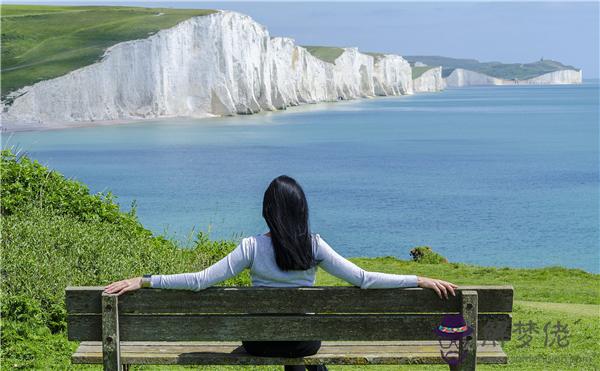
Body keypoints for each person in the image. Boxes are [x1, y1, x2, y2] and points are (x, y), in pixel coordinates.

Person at [105, 175, 458, 371]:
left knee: (280, 341)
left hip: (258, 341)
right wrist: (419, 279)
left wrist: (144, 280)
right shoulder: (315, 245)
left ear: (267, 211)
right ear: (301, 209)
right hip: (304, 340)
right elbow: (363, 279)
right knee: (298, 350)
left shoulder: (250, 247)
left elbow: (199, 281)